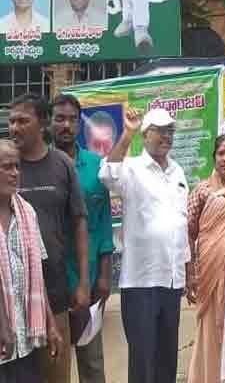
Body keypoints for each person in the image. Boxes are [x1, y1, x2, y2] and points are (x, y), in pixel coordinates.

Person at [100, 108, 188, 383]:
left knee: (166, 360)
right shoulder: (133, 167)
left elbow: (180, 223)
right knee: (143, 361)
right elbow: (108, 175)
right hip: (141, 281)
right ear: (146, 134)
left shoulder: (177, 170)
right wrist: (127, 134)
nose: (166, 136)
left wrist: (188, 269)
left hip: (172, 280)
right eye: (160, 131)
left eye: (170, 131)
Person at [9, 93, 88, 383]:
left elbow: (79, 223)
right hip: (11, 299)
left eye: (22, 121)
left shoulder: (62, 165)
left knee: (55, 374)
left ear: (42, 124)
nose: (15, 128)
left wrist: (82, 282)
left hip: (54, 293)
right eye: (12, 121)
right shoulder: (5, 166)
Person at [50, 95, 114, 383]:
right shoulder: (38, 165)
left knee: (92, 364)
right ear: (48, 122)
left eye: (72, 119)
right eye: (59, 118)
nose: (66, 125)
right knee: (54, 362)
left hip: (88, 281)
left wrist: (103, 276)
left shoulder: (95, 166)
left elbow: (102, 225)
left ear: (79, 124)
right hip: (51, 282)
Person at [0, 139, 64, 381]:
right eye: (6, 167)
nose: (14, 173)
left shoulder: (27, 213)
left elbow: (36, 276)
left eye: (16, 166)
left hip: (25, 338)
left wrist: (50, 323)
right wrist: (2, 324)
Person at [184, 135, 225, 383]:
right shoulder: (202, 191)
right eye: (221, 153)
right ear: (214, 157)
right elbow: (188, 233)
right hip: (207, 272)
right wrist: (190, 273)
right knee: (208, 329)